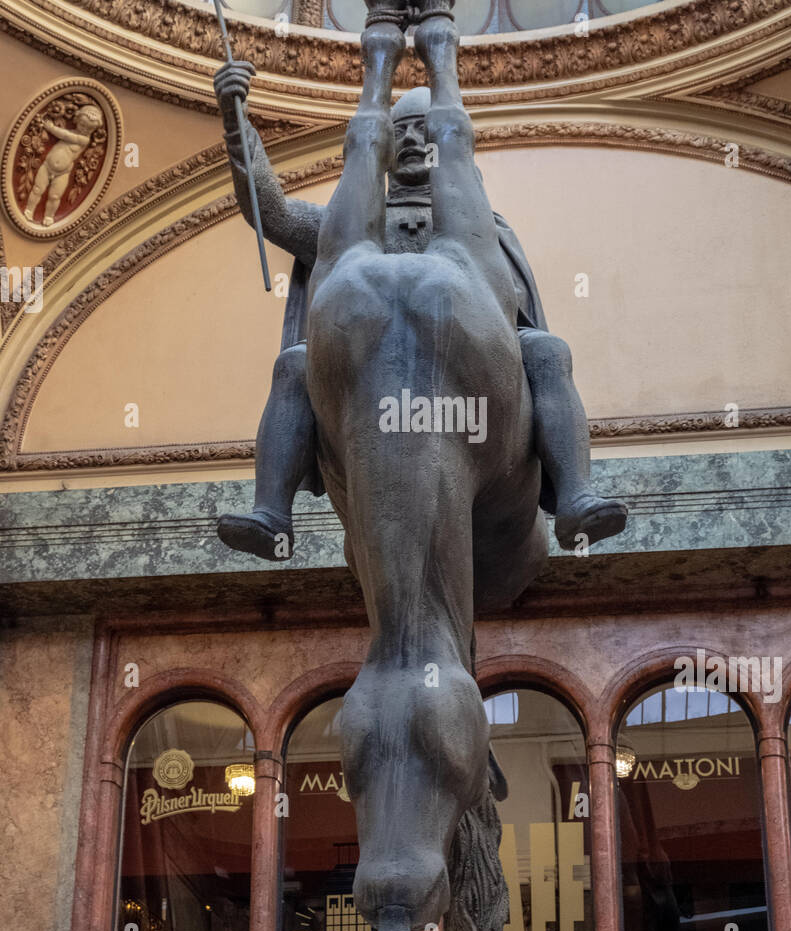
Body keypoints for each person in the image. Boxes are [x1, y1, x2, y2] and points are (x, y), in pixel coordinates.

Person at [213, 41, 627, 564]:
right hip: (368, 356)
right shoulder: (346, 226)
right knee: (295, 363)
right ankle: (271, 510)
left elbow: (507, 300)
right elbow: (268, 211)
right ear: (381, 148)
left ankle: (575, 496)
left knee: (546, 351)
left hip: (476, 353)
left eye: (424, 129)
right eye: (399, 131)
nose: (411, 139)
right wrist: (236, 122)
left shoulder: (480, 225)